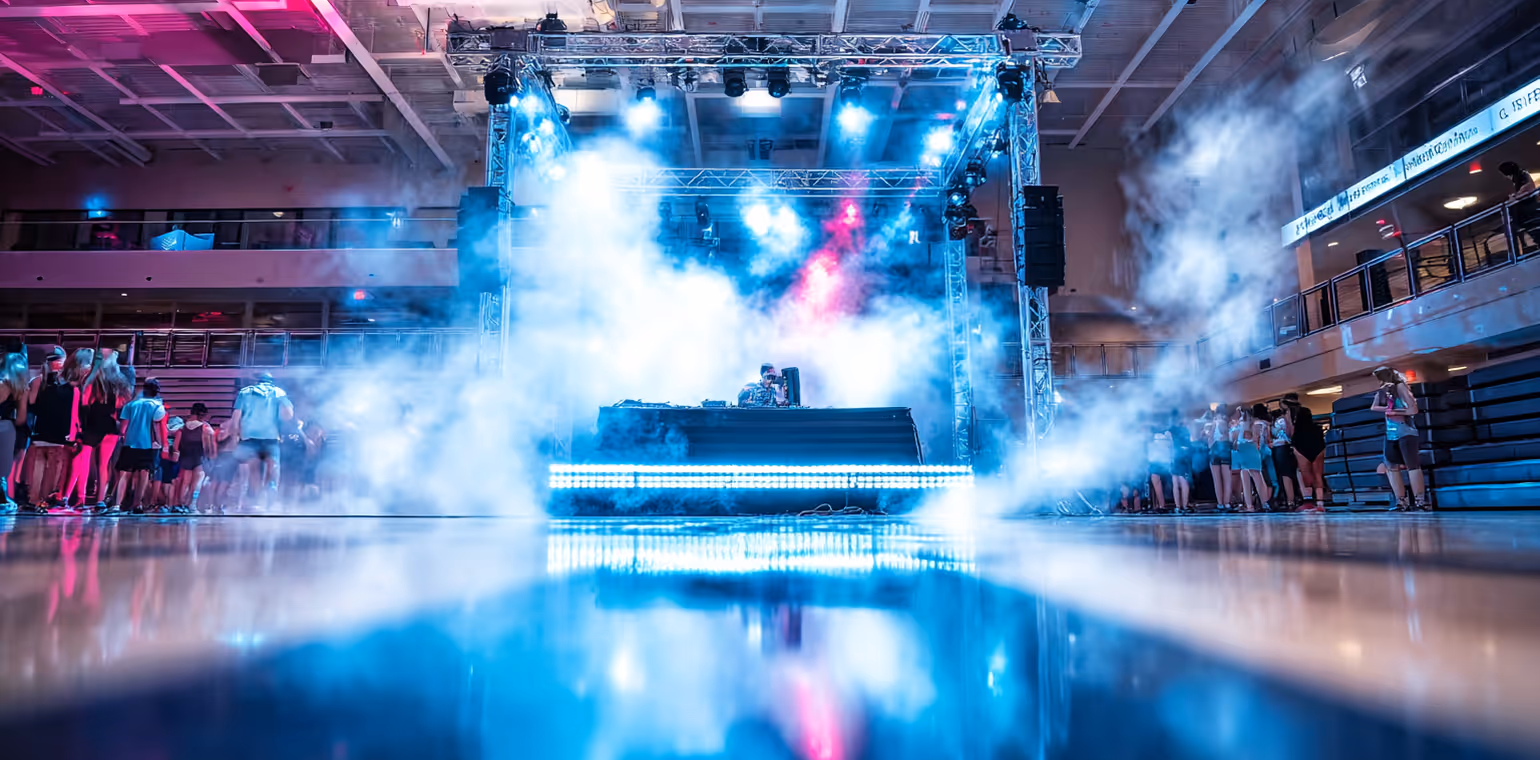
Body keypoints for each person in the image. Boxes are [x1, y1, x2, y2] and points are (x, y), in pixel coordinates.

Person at [22, 346, 80, 512]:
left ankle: (33, 500)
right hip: (59, 433)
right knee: (52, 470)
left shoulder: (37, 381)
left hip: (40, 430)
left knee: (38, 468)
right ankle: (44, 501)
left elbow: (31, 404)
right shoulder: (70, 386)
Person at [228, 372, 294, 509]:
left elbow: (236, 417)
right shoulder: (278, 392)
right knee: (273, 468)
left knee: (254, 471)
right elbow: (289, 415)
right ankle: (270, 499)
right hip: (271, 437)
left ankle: (257, 502)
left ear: (257, 381)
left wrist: (235, 436)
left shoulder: (244, 392)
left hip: (249, 437)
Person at [1370, 366, 1430, 512]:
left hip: (1406, 431)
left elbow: (1413, 409)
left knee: (1412, 465)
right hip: (1391, 432)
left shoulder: (1400, 387)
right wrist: (1387, 409)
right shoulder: (1384, 390)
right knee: (1391, 466)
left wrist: (1395, 411)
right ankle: (1401, 501)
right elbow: (1374, 407)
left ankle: (1420, 500)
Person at [108, 377, 167, 515]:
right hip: (148, 446)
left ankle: (117, 504)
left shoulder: (130, 405)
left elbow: (123, 429)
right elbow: (158, 428)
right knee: (143, 474)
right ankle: (137, 504)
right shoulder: (158, 407)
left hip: (129, 444)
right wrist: (161, 445)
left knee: (124, 474)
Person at [1283, 392, 1329, 512]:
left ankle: (1308, 501)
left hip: (1301, 444)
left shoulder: (1292, 419)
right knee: (1318, 474)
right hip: (1317, 443)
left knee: (1305, 474)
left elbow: (1290, 433)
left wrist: (1288, 421)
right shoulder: (1314, 424)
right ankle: (1320, 503)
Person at [173, 403, 216, 512]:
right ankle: (191, 505)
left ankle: (180, 505)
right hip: (199, 457)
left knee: (185, 482)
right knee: (196, 483)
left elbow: (175, 445)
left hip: (186, 456)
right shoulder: (205, 427)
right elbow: (209, 446)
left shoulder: (182, 428)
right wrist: (211, 458)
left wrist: (177, 454)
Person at [0, 352, 28, 511]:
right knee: (3, 468)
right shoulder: (21, 389)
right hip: (6, 427)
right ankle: (3, 498)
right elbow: (21, 418)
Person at [1230, 405, 1268, 512]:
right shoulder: (1248, 424)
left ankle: (1258, 504)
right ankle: (1255, 504)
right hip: (1246, 451)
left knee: (1253, 478)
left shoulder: (1250, 424)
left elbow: (1249, 438)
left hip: (1248, 450)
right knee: (1250, 477)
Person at [1270, 408, 1299, 510]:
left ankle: (1289, 499)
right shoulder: (1280, 421)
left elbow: (1287, 433)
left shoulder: (1277, 422)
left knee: (1284, 474)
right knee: (1286, 474)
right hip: (1282, 447)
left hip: (1280, 447)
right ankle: (1290, 499)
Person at [1206, 406, 1233, 511]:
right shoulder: (1228, 423)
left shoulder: (1214, 423)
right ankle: (1227, 503)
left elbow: (1210, 438)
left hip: (1215, 450)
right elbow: (1229, 438)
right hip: (1225, 449)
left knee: (1217, 480)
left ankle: (1220, 503)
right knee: (1227, 479)